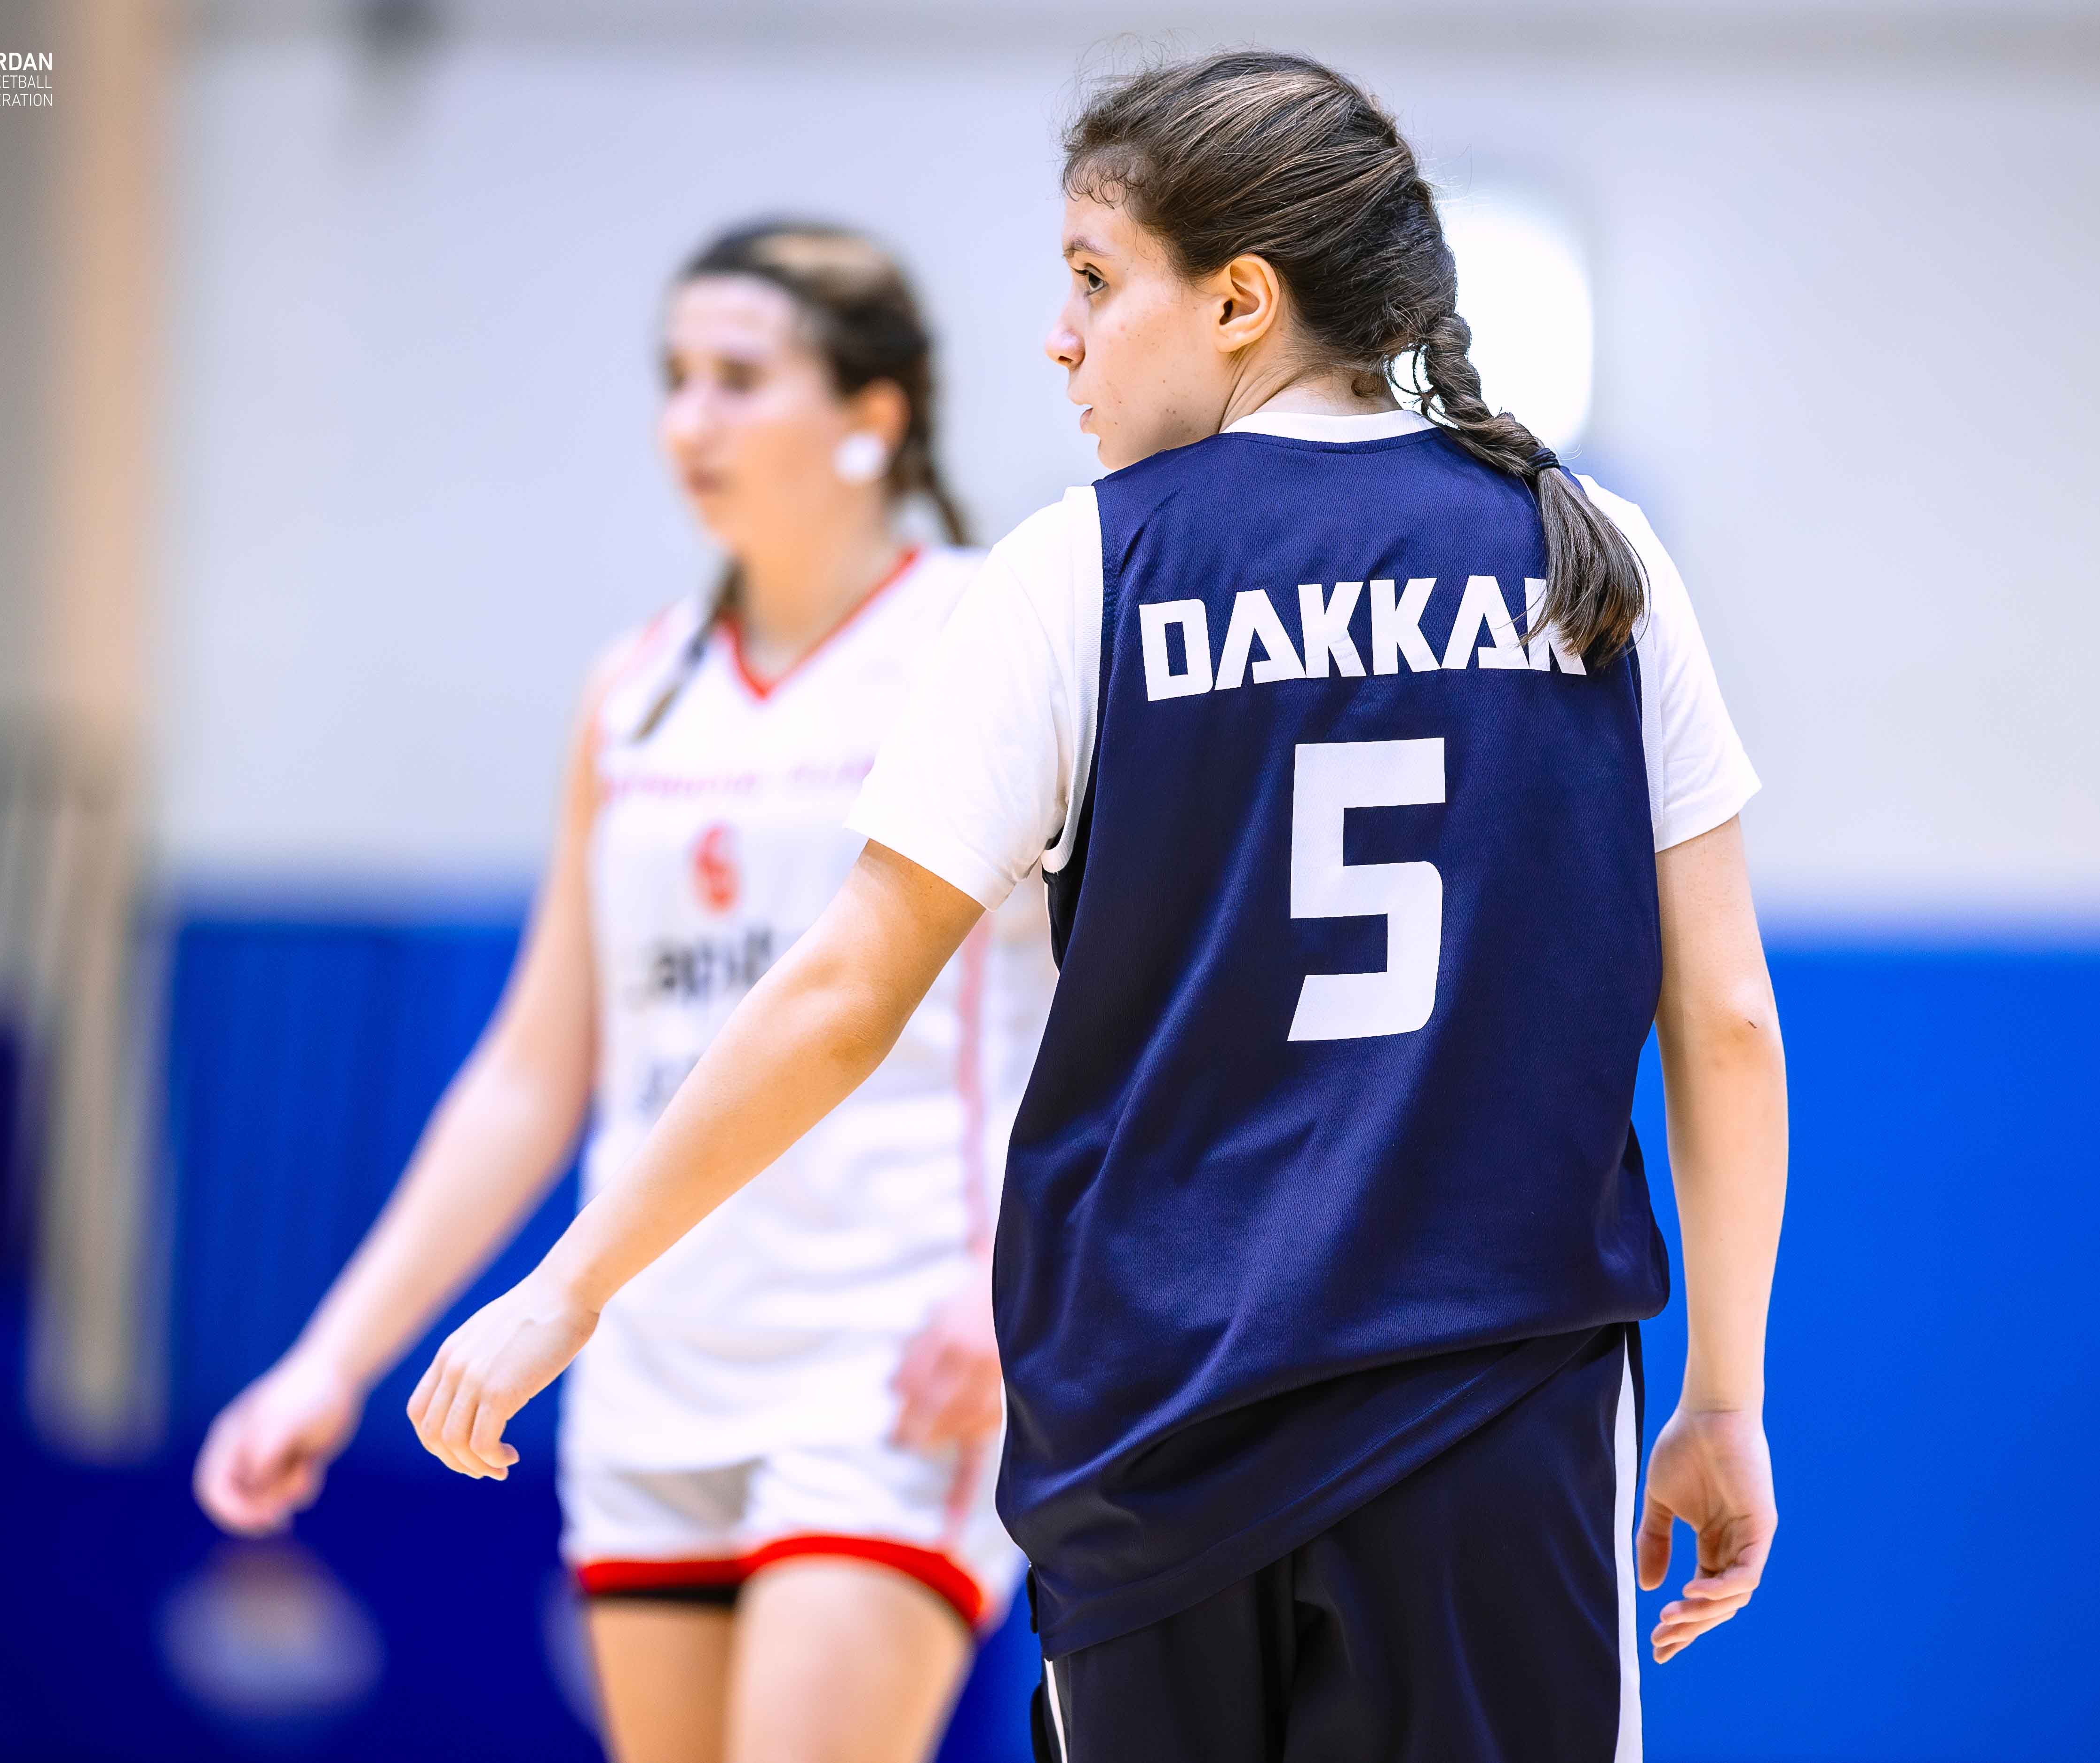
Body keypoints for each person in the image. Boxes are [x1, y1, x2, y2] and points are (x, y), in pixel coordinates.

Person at [407, 51, 1789, 1763]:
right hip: (1493, 1419)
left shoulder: (1082, 568)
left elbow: (844, 988)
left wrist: (573, 1282)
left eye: (1092, 279)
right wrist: (1724, 1394)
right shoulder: (1594, 556)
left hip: (1157, 1434)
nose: (1059, 337)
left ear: (1239, 301)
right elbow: (1726, 1016)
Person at [192, 221, 1054, 1763]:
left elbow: (1125, 1007)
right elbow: (534, 1070)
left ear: (873, 414)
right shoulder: (636, 688)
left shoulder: (986, 635)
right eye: (674, 378)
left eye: (740, 378)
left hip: (892, 1342)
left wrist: (1022, 1283)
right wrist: (333, 1358)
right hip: (649, 1347)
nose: (689, 421)